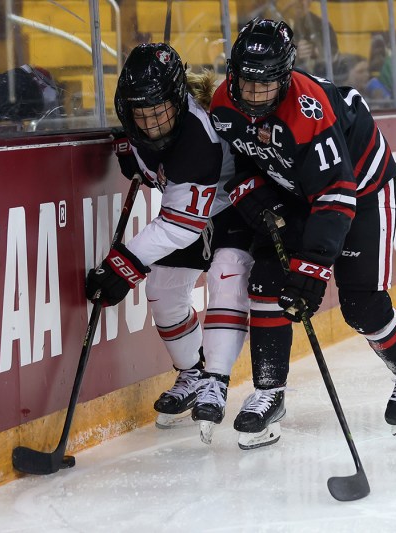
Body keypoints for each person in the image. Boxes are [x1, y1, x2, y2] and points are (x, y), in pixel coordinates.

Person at [209, 19, 396, 448]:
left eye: (266, 85)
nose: (253, 96)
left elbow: (337, 195)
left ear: (286, 76)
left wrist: (312, 272)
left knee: (360, 305)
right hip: (299, 188)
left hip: (364, 191)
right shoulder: (225, 101)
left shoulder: (307, 111)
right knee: (267, 282)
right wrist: (253, 194)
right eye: (246, 82)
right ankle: (269, 391)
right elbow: (240, 159)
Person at [86, 43, 254, 439]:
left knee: (225, 283)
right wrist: (135, 155)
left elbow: (180, 227)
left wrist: (121, 266)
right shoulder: (141, 123)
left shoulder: (200, 138)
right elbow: (150, 160)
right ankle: (192, 373)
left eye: (159, 111)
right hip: (189, 210)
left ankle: (217, 378)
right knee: (161, 291)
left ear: (178, 101)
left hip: (230, 207)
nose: (151, 123)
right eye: (141, 114)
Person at [282, 0, 339, 78]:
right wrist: (294, 53)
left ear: (309, 2)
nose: (300, 2)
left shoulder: (320, 24)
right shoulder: (274, 23)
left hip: (315, 77)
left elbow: (333, 53)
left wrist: (315, 51)